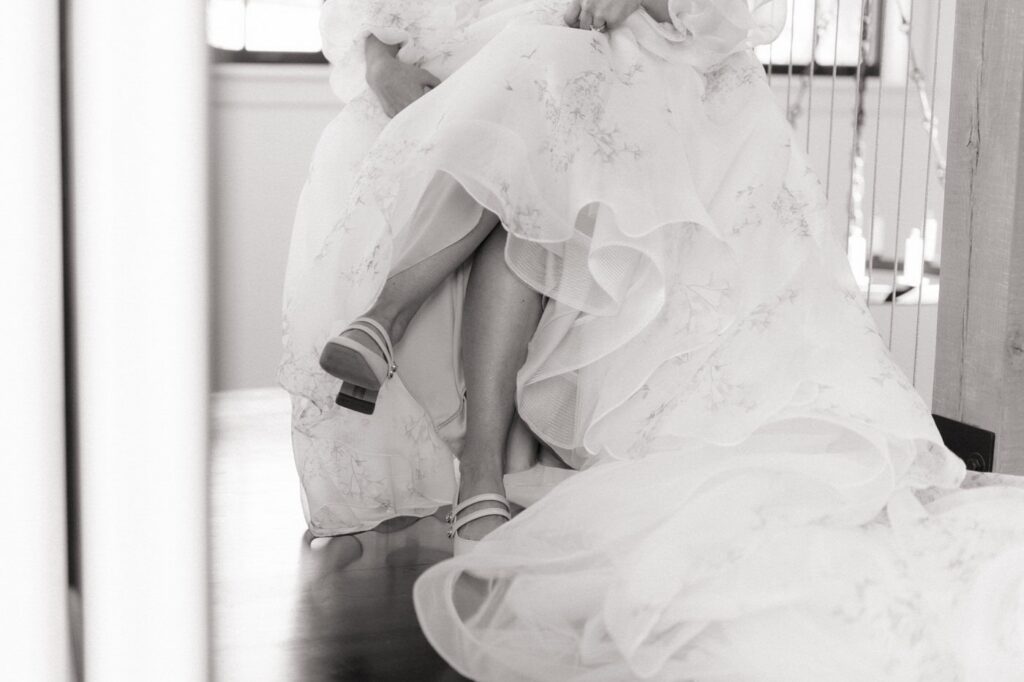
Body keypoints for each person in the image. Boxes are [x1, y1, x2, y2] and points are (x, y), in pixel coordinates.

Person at [281, 0, 1024, 677]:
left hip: (641, 59)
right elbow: (372, 21)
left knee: (537, 102)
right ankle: (473, 463)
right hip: (536, 55)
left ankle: (388, 320)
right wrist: (385, 57)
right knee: (527, 112)